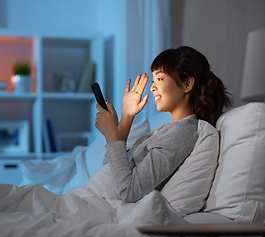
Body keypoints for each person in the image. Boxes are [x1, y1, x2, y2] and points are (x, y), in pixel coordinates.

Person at [94, 46, 232, 203]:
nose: (152, 87)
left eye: (160, 79)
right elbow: (112, 170)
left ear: (187, 84)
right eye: (153, 80)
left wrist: (112, 135)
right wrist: (127, 117)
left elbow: (128, 191)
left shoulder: (180, 134)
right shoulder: (169, 130)